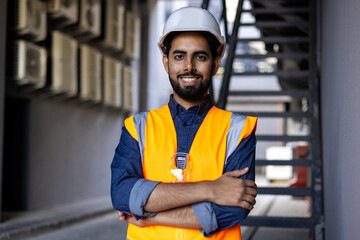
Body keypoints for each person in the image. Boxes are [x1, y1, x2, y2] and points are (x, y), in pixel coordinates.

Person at [111, 6, 258, 240]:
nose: (189, 67)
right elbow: (122, 195)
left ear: (216, 62)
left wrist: (149, 215)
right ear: (166, 62)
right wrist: (211, 189)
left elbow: (233, 208)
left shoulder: (238, 130)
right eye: (179, 56)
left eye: (200, 56)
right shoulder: (137, 127)